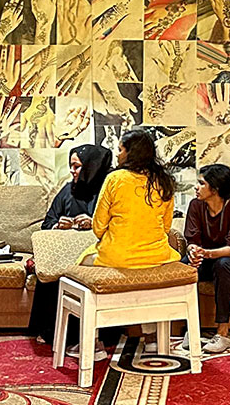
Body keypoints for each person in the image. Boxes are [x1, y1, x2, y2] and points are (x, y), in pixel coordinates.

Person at [28, 144, 113, 346]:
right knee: (51, 270)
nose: (72, 171)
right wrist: (59, 225)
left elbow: (118, 226)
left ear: (92, 167)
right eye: (71, 166)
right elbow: (46, 224)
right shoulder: (68, 190)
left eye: (77, 166)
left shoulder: (108, 191)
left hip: (95, 256)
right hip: (65, 256)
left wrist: (93, 224)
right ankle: (54, 333)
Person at [183, 164, 230, 354]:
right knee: (183, 267)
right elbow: (192, 239)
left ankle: (222, 334)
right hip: (208, 260)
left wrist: (205, 253)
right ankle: (191, 329)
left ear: (214, 189)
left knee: (223, 265)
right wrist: (193, 252)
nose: (196, 188)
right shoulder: (195, 205)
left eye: (201, 183)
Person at [86, 128, 180, 270]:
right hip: (158, 256)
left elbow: (98, 227)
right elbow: (166, 227)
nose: (117, 155)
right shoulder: (164, 181)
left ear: (131, 153)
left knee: (82, 260)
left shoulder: (115, 178)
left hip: (119, 257)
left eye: (120, 150)